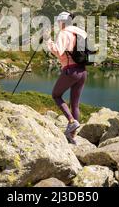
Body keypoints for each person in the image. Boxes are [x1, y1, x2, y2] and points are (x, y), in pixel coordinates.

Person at [45, 12, 88, 144]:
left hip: (70, 70)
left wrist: (47, 39)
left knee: (56, 95)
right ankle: (72, 136)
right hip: (83, 71)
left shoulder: (64, 33)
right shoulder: (81, 32)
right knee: (75, 104)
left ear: (62, 22)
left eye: (58, 22)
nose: (58, 24)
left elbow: (58, 51)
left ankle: (71, 121)